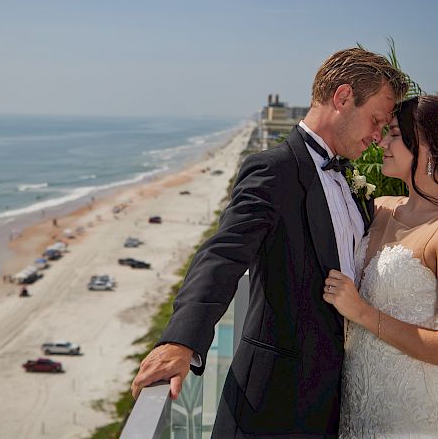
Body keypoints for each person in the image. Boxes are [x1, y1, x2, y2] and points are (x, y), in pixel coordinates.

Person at [131, 47, 408, 437]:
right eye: (376, 120)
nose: (378, 136)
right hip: (272, 406)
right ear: (343, 98)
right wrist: (180, 341)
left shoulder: (348, 179)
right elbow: (223, 254)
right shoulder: (274, 169)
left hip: (334, 404)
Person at [324, 95, 438, 437]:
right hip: (356, 404)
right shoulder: (379, 207)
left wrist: (362, 313)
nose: (382, 142)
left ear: (430, 148)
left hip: (408, 416)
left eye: (394, 135)